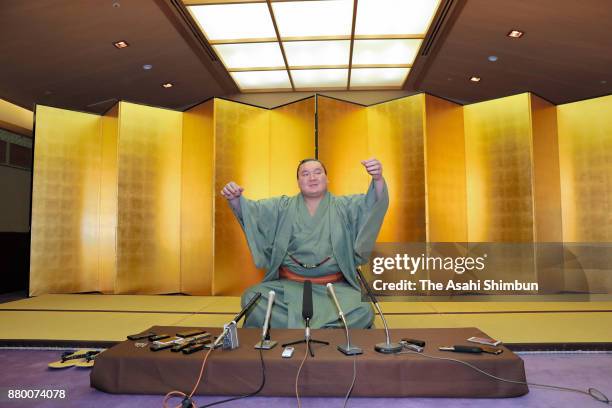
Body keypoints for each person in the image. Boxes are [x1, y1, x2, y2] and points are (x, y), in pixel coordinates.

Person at [221, 158, 388, 329]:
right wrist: (235, 199)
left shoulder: (344, 206)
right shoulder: (282, 206)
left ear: (327, 178)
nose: (312, 177)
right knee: (252, 297)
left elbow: (373, 204)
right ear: (298, 181)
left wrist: (377, 179)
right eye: (305, 174)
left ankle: (293, 328)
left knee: (363, 309)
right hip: (288, 287)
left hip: (334, 288)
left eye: (318, 172)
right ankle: (327, 330)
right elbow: (252, 212)